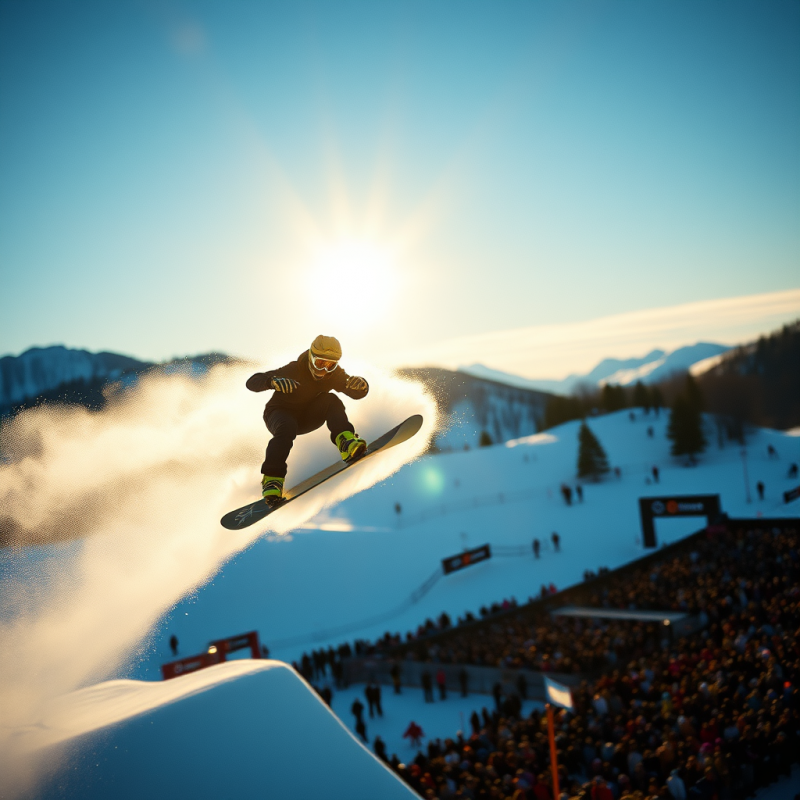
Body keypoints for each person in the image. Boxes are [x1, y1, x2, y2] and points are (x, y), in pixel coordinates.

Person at [246, 335, 369, 505]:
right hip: (279, 413)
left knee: (331, 400)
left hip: (306, 418)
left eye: (330, 365)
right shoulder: (294, 369)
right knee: (287, 427)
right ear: (311, 357)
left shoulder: (333, 375)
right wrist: (272, 382)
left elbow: (354, 391)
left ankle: (346, 442)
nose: (324, 371)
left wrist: (361, 385)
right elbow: (252, 382)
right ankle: (272, 479)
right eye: (320, 363)